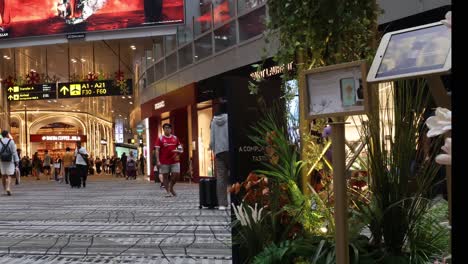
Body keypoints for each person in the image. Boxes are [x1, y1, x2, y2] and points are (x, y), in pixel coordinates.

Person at [209, 102, 230, 210]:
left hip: (219, 152)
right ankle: (237, 201)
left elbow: (212, 140)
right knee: (235, 176)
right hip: (231, 151)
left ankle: (222, 204)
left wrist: (213, 149)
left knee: (221, 178)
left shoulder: (213, 121)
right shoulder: (230, 118)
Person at [155, 123, 183, 197]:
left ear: (171, 129)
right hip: (164, 161)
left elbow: (180, 147)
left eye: (169, 128)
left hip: (174, 160)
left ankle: (170, 188)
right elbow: (157, 150)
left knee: (176, 175)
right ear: (163, 129)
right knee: (165, 176)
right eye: (165, 128)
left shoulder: (175, 138)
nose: (167, 129)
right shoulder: (160, 138)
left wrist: (178, 151)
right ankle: (168, 191)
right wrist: (158, 161)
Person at [0, 130, 19, 196]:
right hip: (10, 160)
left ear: (2, 135)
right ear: (7, 134)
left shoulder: (0, 141)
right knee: (9, 175)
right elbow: (14, 152)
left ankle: (4, 188)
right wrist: (16, 160)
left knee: (3, 174)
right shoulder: (11, 141)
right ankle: (8, 187)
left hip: (2, 160)